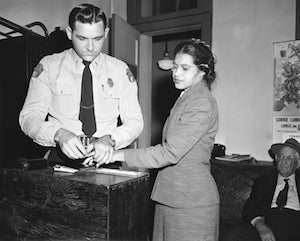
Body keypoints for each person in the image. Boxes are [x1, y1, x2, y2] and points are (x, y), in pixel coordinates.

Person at [91, 38, 220, 241]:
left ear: (203, 70)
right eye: (175, 67)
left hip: (190, 203)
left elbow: (169, 152)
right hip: (172, 196)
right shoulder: (187, 97)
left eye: (185, 68)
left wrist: (115, 155)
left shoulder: (201, 102)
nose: (176, 73)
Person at [19, 3, 143, 167]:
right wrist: (59, 134)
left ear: (106, 33)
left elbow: (135, 121)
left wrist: (112, 139)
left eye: (97, 39)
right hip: (59, 161)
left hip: (105, 159)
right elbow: (28, 118)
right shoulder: (49, 66)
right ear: (70, 33)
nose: (90, 47)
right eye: (82, 38)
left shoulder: (120, 70)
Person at [221, 138, 300, 241]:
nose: (283, 161)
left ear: (298, 163)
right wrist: (260, 225)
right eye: (281, 156)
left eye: (289, 158)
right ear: (276, 159)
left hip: (294, 225)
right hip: (266, 221)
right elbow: (249, 209)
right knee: (231, 235)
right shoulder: (263, 181)